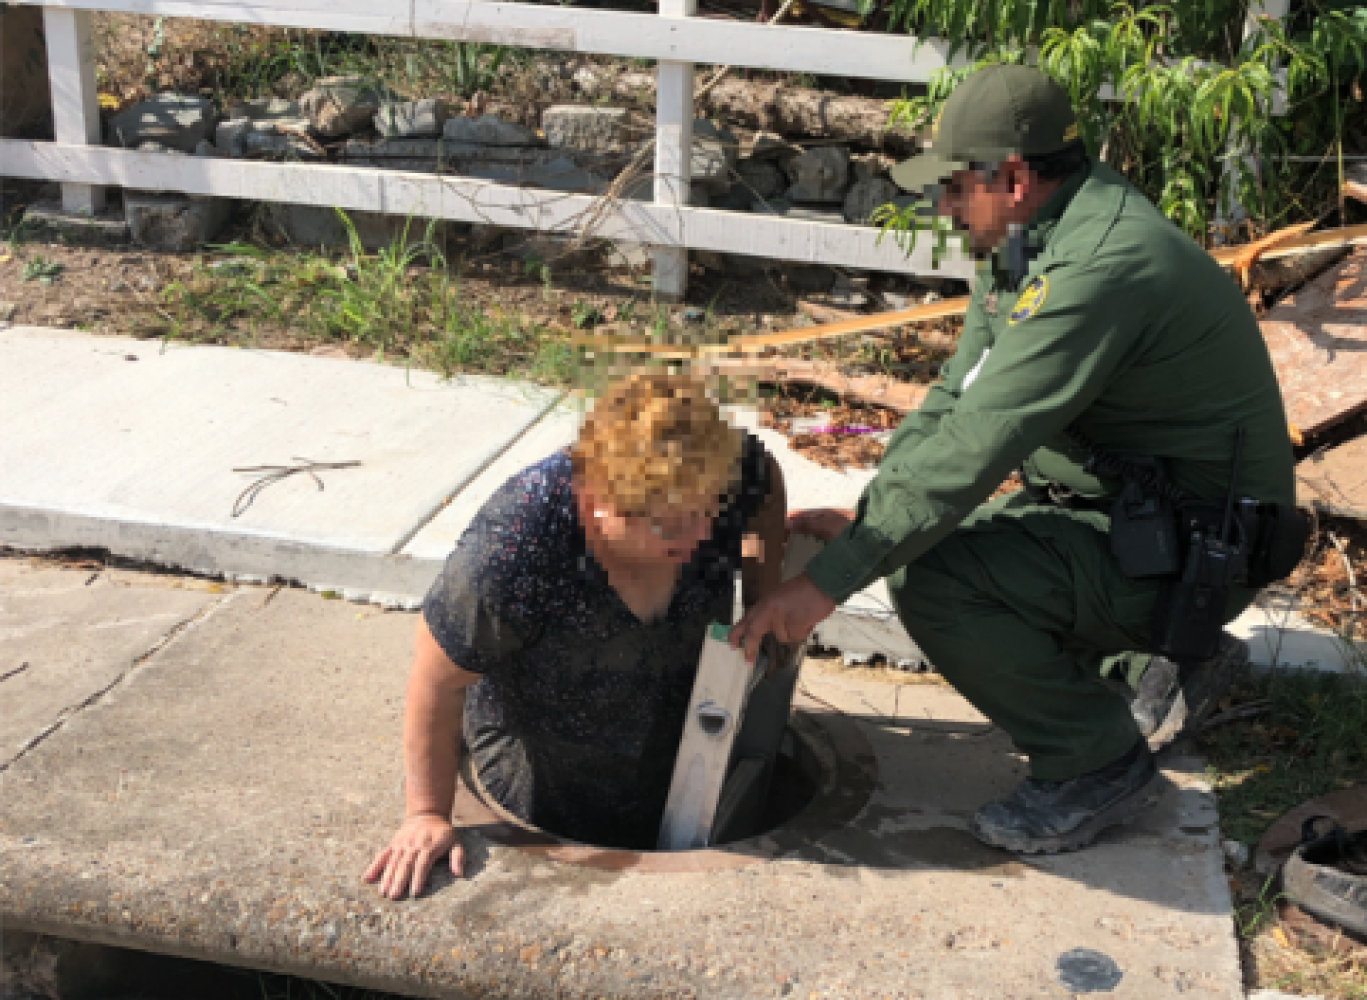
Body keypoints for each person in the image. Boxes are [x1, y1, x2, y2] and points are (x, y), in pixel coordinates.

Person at [730, 65, 1297, 854]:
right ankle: (1146, 668)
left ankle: (1095, 764)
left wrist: (830, 583)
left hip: (1196, 552)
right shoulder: (1036, 241)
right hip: (1144, 522)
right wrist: (870, 521)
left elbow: (977, 445)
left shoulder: (1094, 270)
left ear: (1017, 177)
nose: (945, 206)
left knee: (936, 579)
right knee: (934, 538)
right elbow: (952, 404)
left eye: (957, 187)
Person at [366, 370, 786, 900]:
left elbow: (764, 478)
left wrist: (763, 589)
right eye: (670, 523)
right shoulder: (519, 543)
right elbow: (435, 678)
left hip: (675, 732)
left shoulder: (718, 477)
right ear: (596, 502)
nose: (702, 534)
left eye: (710, 510)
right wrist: (426, 812)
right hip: (546, 772)